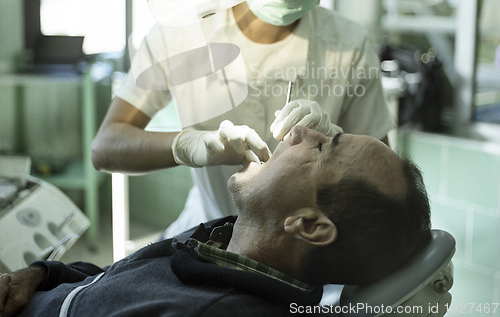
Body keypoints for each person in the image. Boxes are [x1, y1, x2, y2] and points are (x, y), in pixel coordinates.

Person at [91, 0, 395, 237]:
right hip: (205, 232)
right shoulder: (186, 31)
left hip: (304, 247)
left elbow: (386, 180)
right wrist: (189, 145)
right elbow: (106, 147)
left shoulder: (347, 43)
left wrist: (334, 139)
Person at [1, 127, 430, 317]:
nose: (299, 130)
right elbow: (111, 284)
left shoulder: (216, 310)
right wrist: (38, 275)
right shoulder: (218, 245)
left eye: (322, 148)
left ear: (310, 225)